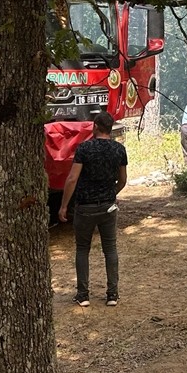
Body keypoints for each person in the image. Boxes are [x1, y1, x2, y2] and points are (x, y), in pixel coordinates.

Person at [59, 112, 128, 307]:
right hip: (108, 206)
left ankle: (83, 295)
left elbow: (72, 178)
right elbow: (122, 180)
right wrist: (110, 193)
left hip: (85, 206)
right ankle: (112, 294)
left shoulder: (84, 148)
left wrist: (64, 205)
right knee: (110, 249)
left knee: (82, 249)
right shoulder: (119, 149)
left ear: (96, 126)